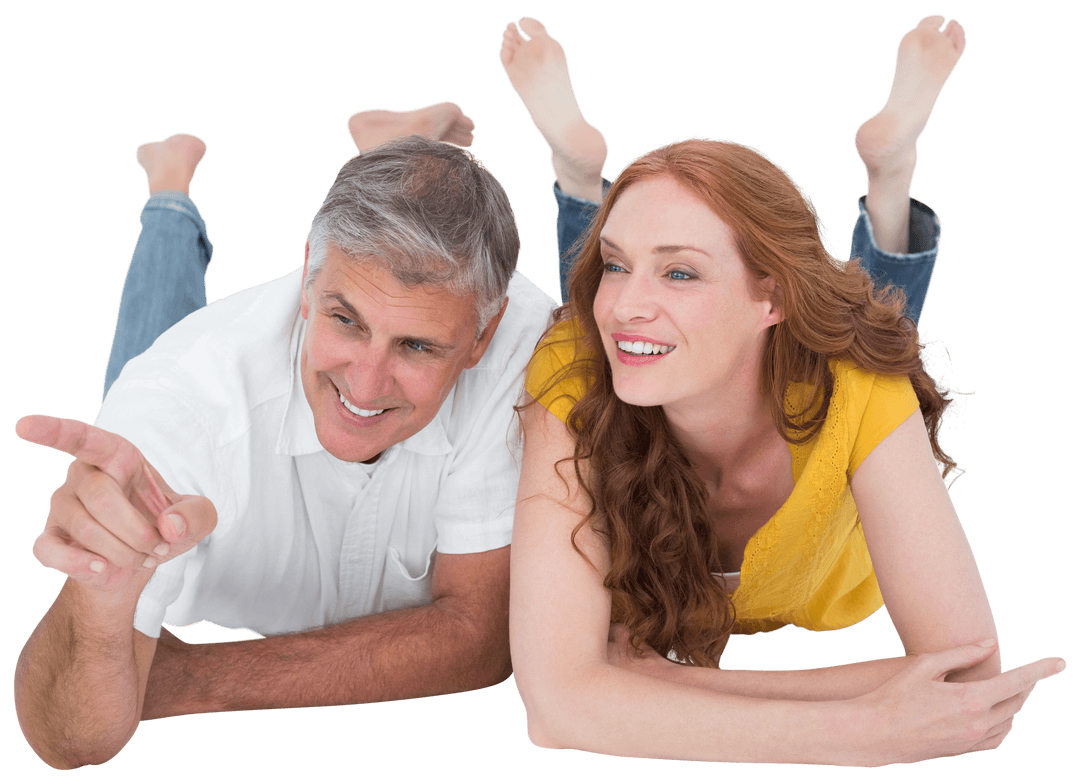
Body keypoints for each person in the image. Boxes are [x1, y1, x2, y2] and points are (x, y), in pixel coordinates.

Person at [500, 16, 1065, 765]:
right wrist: (863, 731)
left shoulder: (859, 387)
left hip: (823, 386)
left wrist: (649, 689)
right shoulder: (573, 367)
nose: (625, 301)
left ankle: (889, 178)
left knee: (876, 325)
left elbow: (968, 683)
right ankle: (581, 181)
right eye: (617, 263)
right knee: (609, 320)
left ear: (771, 299)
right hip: (758, 344)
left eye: (681, 271)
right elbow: (555, 710)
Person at [13, 111, 556, 770]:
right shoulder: (182, 406)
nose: (367, 379)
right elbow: (72, 740)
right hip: (195, 384)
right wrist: (100, 593)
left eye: (416, 345)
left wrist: (184, 679)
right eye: (345, 320)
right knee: (145, 346)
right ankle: (169, 186)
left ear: (482, 336)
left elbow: (479, 637)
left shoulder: (525, 351)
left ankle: (407, 153)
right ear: (306, 281)